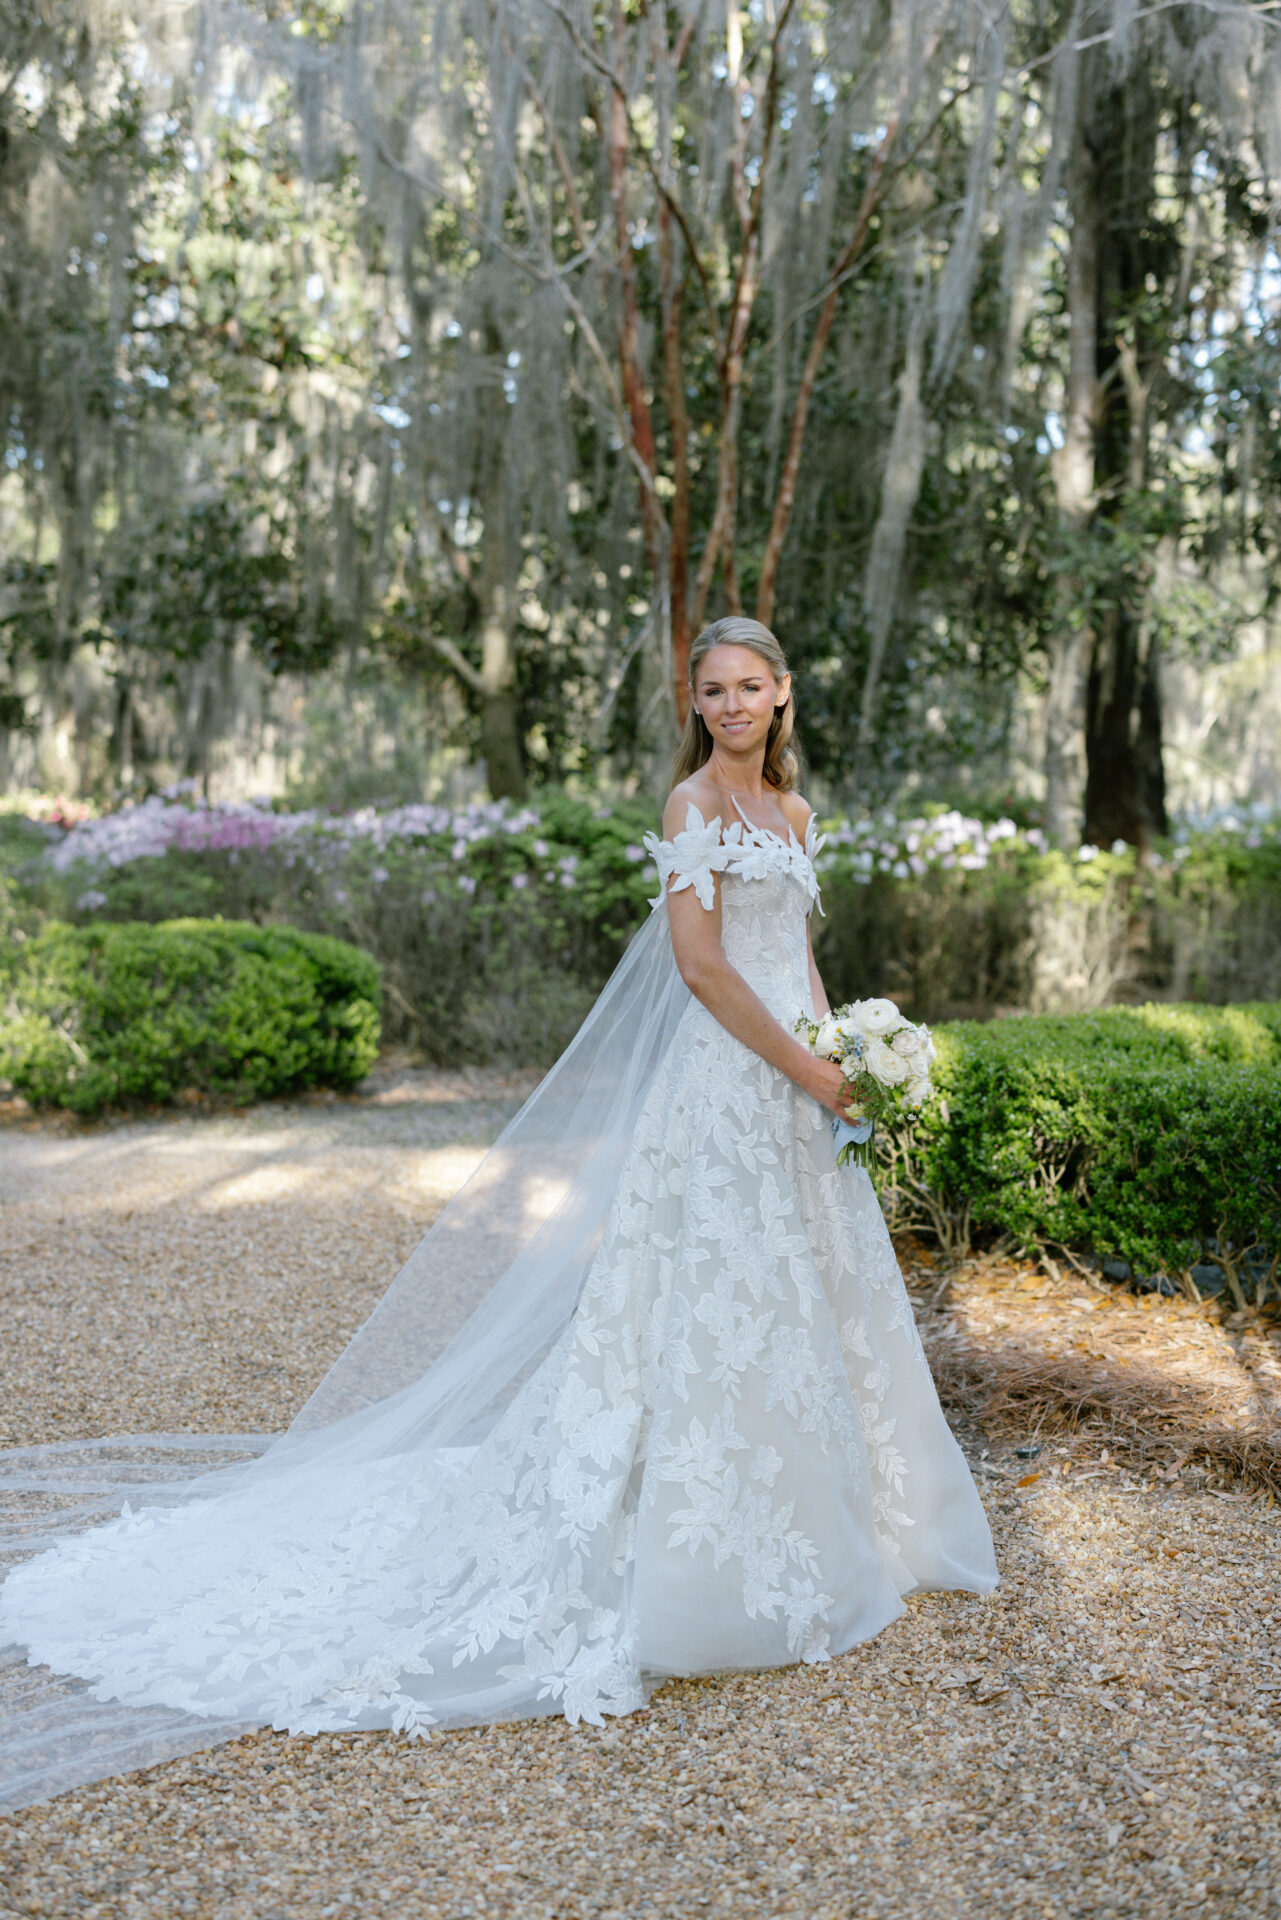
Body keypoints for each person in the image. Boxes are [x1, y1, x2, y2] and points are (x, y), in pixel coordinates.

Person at [0, 616, 996, 1809]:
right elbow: (705, 969)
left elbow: (796, 956)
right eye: (712, 690)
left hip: (796, 1088)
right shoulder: (690, 809)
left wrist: (846, 1064)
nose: (731, 706)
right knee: (705, 1302)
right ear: (696, 700)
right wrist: (807, 1067)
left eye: (750, 688)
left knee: (809, 1296)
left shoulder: (791, 813)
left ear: (784, 694)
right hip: (728, 1087)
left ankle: (847, 1522)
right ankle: (689, 1557)